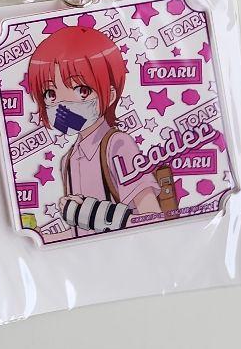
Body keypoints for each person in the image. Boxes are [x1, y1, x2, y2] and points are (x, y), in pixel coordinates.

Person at [26, 25, 161, 235]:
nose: (63, 103)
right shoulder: (69, 160)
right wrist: (39, 237)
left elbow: (153, 217)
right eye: (51, 94)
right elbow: (79, 233)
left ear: (110, 94)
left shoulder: (117, 146)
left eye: (82, 90)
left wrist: (99, 215)